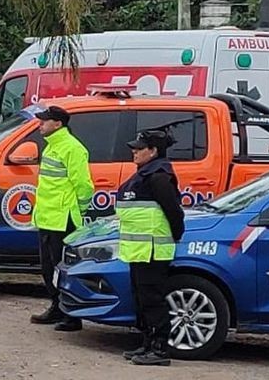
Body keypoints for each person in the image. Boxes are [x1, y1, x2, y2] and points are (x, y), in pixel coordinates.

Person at [117, 129, 186, 366]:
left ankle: (159, 349)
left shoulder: (158, 176)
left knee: (153, 300)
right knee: (141, 298)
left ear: (154, 151)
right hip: (140, 250)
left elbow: (174, 213)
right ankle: (147, 343)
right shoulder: (146, 174)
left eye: (139, 148)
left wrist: (176, 235)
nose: (134, 151)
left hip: (153, 250)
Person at [28, 105, 92, 332]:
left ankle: (71, 316)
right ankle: (57, 307)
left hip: (63, 219)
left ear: (58, 124)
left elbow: (84, 186)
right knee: (48, 269)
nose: (40, 125)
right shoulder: (52, 147)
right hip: (48, 217)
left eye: (44, 121)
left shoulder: (72, 148)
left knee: (62, 268)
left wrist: (80, 211)